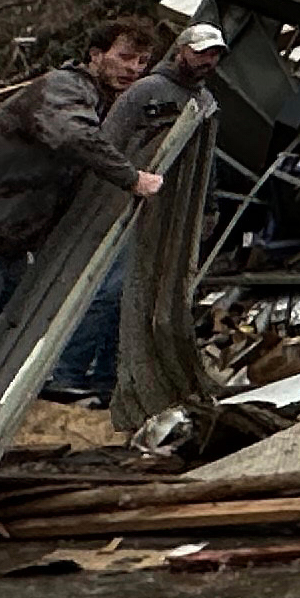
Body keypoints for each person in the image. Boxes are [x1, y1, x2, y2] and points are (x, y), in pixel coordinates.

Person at [0, 18, 164, 406]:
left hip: (8, 245)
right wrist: (131, 178)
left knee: (12, 350)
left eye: (142, 61)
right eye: (124, 57)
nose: (133, 69)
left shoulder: (100, 101)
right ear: (96, 55)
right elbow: (73, 135)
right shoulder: (63, 89)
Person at [57, 21, 225, 398]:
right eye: (200, 52)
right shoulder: (147, 90)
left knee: (137, 295)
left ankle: (106, 376)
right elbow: (106, 143)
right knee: (110, 290)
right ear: (180, 50)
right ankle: (67, 373)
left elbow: (207, 163)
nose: (207, 61)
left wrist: (208, 210)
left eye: (214, 54)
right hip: (130, 207)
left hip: (172, 214)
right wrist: (106, 197)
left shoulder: (206, 102)